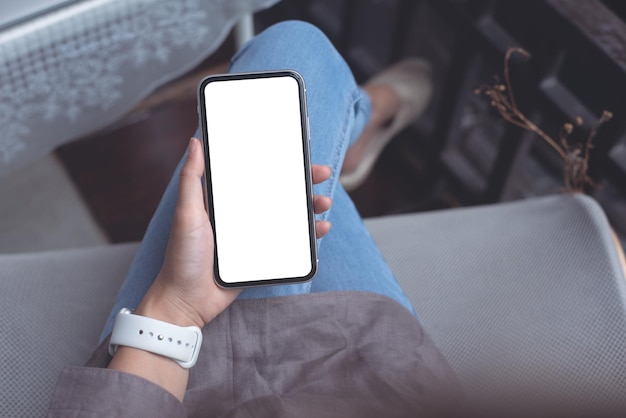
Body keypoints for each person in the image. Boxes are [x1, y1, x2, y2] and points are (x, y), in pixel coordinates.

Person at [47, 21, 463, 417]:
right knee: (296, 52)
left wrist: (177, 306)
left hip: (178, 378)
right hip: (375, 390)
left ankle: (357, 123)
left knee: (291, 87)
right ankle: (360, 121)